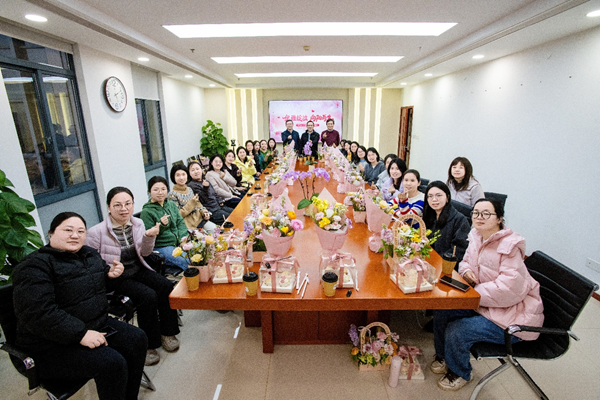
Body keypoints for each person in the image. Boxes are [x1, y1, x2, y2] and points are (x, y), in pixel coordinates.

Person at [13, 212, 147, 400]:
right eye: (68, 230)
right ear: (51, 233)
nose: (75, 235)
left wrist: (112, 276)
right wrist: (81, 334)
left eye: (80, 231)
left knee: (137, 339)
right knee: (112, 363)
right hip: (50, 344)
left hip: (94, 324)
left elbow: (102, 284)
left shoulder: (89, 254)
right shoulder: (34, 266)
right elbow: (38, 313)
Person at [431, 199, 544, 391]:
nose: (479, 217)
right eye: (476, 213)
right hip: (485, 304)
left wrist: (472, 294)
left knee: (458, 330)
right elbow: (465, 262)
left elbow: (508, 289)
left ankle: (460, 373)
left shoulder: (510, 248)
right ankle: (444, 357)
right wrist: (467, 272)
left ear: (499, 218)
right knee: (442, 310)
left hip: (511, 318)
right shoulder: (477, 236)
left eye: (486, 213)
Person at [87, 187, 181, 366]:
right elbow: (90, 264)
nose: (124, 209)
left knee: (166, 286)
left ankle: (168, 332)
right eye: (117, 205)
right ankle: (149, 345)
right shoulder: (96, 232)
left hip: (137, 269)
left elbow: (145, 253)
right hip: (115, 277)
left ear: (133, 204)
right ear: (109, 207)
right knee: (147, 296)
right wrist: (109, 270)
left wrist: (149, 237)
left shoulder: (137, 223)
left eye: (128, 204)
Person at [140, 176, 189, 274]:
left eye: (163, 189)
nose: (160, 192)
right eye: (156, 190)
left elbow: (180, 223)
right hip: (162, 246)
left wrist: (183, 240)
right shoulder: (146, 212)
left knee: (201, 254)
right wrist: (162, 225)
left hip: (178, 242)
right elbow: (148, 236)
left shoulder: (171, 204)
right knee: (188, 261)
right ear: (149, 192)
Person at [422, 181, 470, 264]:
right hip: (427, 260)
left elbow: (458, 250)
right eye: (430, 196)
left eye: (438, 195)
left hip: (446, 264)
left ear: (447, 197)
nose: (434, 199)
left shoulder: (459, 220)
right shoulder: (429, 215)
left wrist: (437, 261)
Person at [188, 161, 234, 226]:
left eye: (197, 169)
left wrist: (220, 200)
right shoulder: (191, 185)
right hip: (211, 211)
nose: (196, 171)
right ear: (189, 173)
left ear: (201, 170)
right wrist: (205, 188)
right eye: (193, 170)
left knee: (235, 212)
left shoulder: (205, 181)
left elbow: (214, 193)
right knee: (232, 218)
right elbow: (202, 199)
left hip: (218, 207)